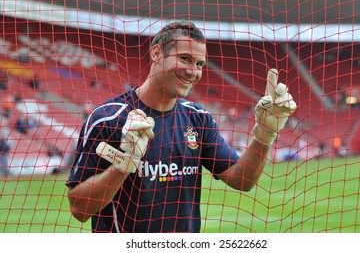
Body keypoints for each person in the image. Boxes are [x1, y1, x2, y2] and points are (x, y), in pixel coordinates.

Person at [66, 21, 297, 233]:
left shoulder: (198, 119)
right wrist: (124, 164)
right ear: (156, 53)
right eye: (185, 59)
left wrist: (265, 133)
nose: (193, 71)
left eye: (199, 64)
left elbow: (242, 179)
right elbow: (79, 210)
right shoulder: (108, 118)